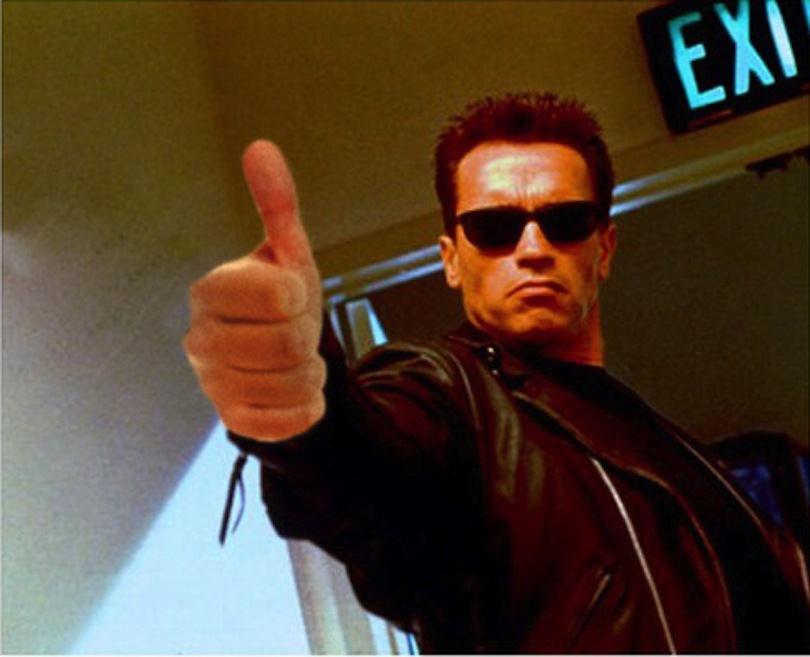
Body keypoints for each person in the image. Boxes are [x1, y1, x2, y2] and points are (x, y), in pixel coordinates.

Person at [184, 92, 809, 653]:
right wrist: (304, 395)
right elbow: (368, 470)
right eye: (495, 228)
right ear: (452, 260)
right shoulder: (446, 391)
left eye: (566, 222)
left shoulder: (669, 447)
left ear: (604, 249)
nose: (533, 249)